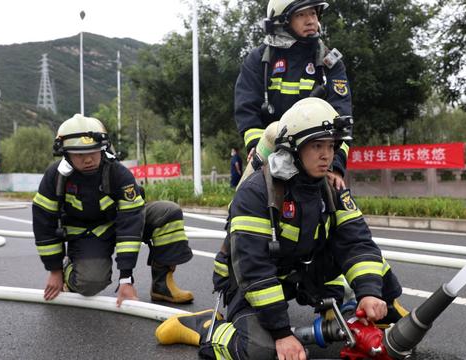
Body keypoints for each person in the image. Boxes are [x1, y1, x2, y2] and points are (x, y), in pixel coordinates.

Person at [156, 98, 406, 360]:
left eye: (331, 146)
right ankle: (205, 327)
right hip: (248, 279)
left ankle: (367, 308)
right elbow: (253, 269)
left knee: (375, 264)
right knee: (260, 351)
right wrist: (282, 333)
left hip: (299, 270)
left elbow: (357, 243)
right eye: (317, 146)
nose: (327, 155)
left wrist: (369, 293)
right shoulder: (256, 192)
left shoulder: (330, 188)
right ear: (293, 148)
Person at [32, 114, 194, 306]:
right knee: (90, 284)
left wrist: (126, 278)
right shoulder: (55, 178)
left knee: (167, 213)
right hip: (87, 235)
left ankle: (162, 286)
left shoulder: (118, 173)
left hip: (118, 223)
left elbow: (131, 221)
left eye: (94, 151)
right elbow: (44, 225)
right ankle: (71, 270)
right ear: (65, 153)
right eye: (79, 154)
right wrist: (56, 271)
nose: (88, 159)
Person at [234, 0, 352, 190]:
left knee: (340, 207)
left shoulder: (330, 62)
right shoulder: (258, 61)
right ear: (281, 21)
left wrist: (336, 167)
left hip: (314, 155)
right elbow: (246, 109)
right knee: (244, 200)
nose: (310, 21)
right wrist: (257, 147)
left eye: (313, 13)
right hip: (268, 149)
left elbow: (342, 117)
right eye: (301, 15)